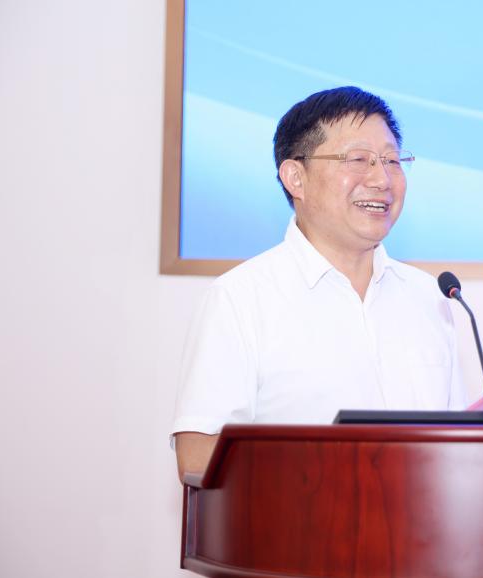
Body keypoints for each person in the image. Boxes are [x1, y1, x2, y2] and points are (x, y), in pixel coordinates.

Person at [171, 87, 465, 480]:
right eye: (358, 159)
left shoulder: (429, 296)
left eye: (393, 160)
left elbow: (462, 444)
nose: (382, 179)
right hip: (301, 517)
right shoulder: (240, 299)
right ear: (296, 177)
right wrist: (326, 473)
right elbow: (196, 457)